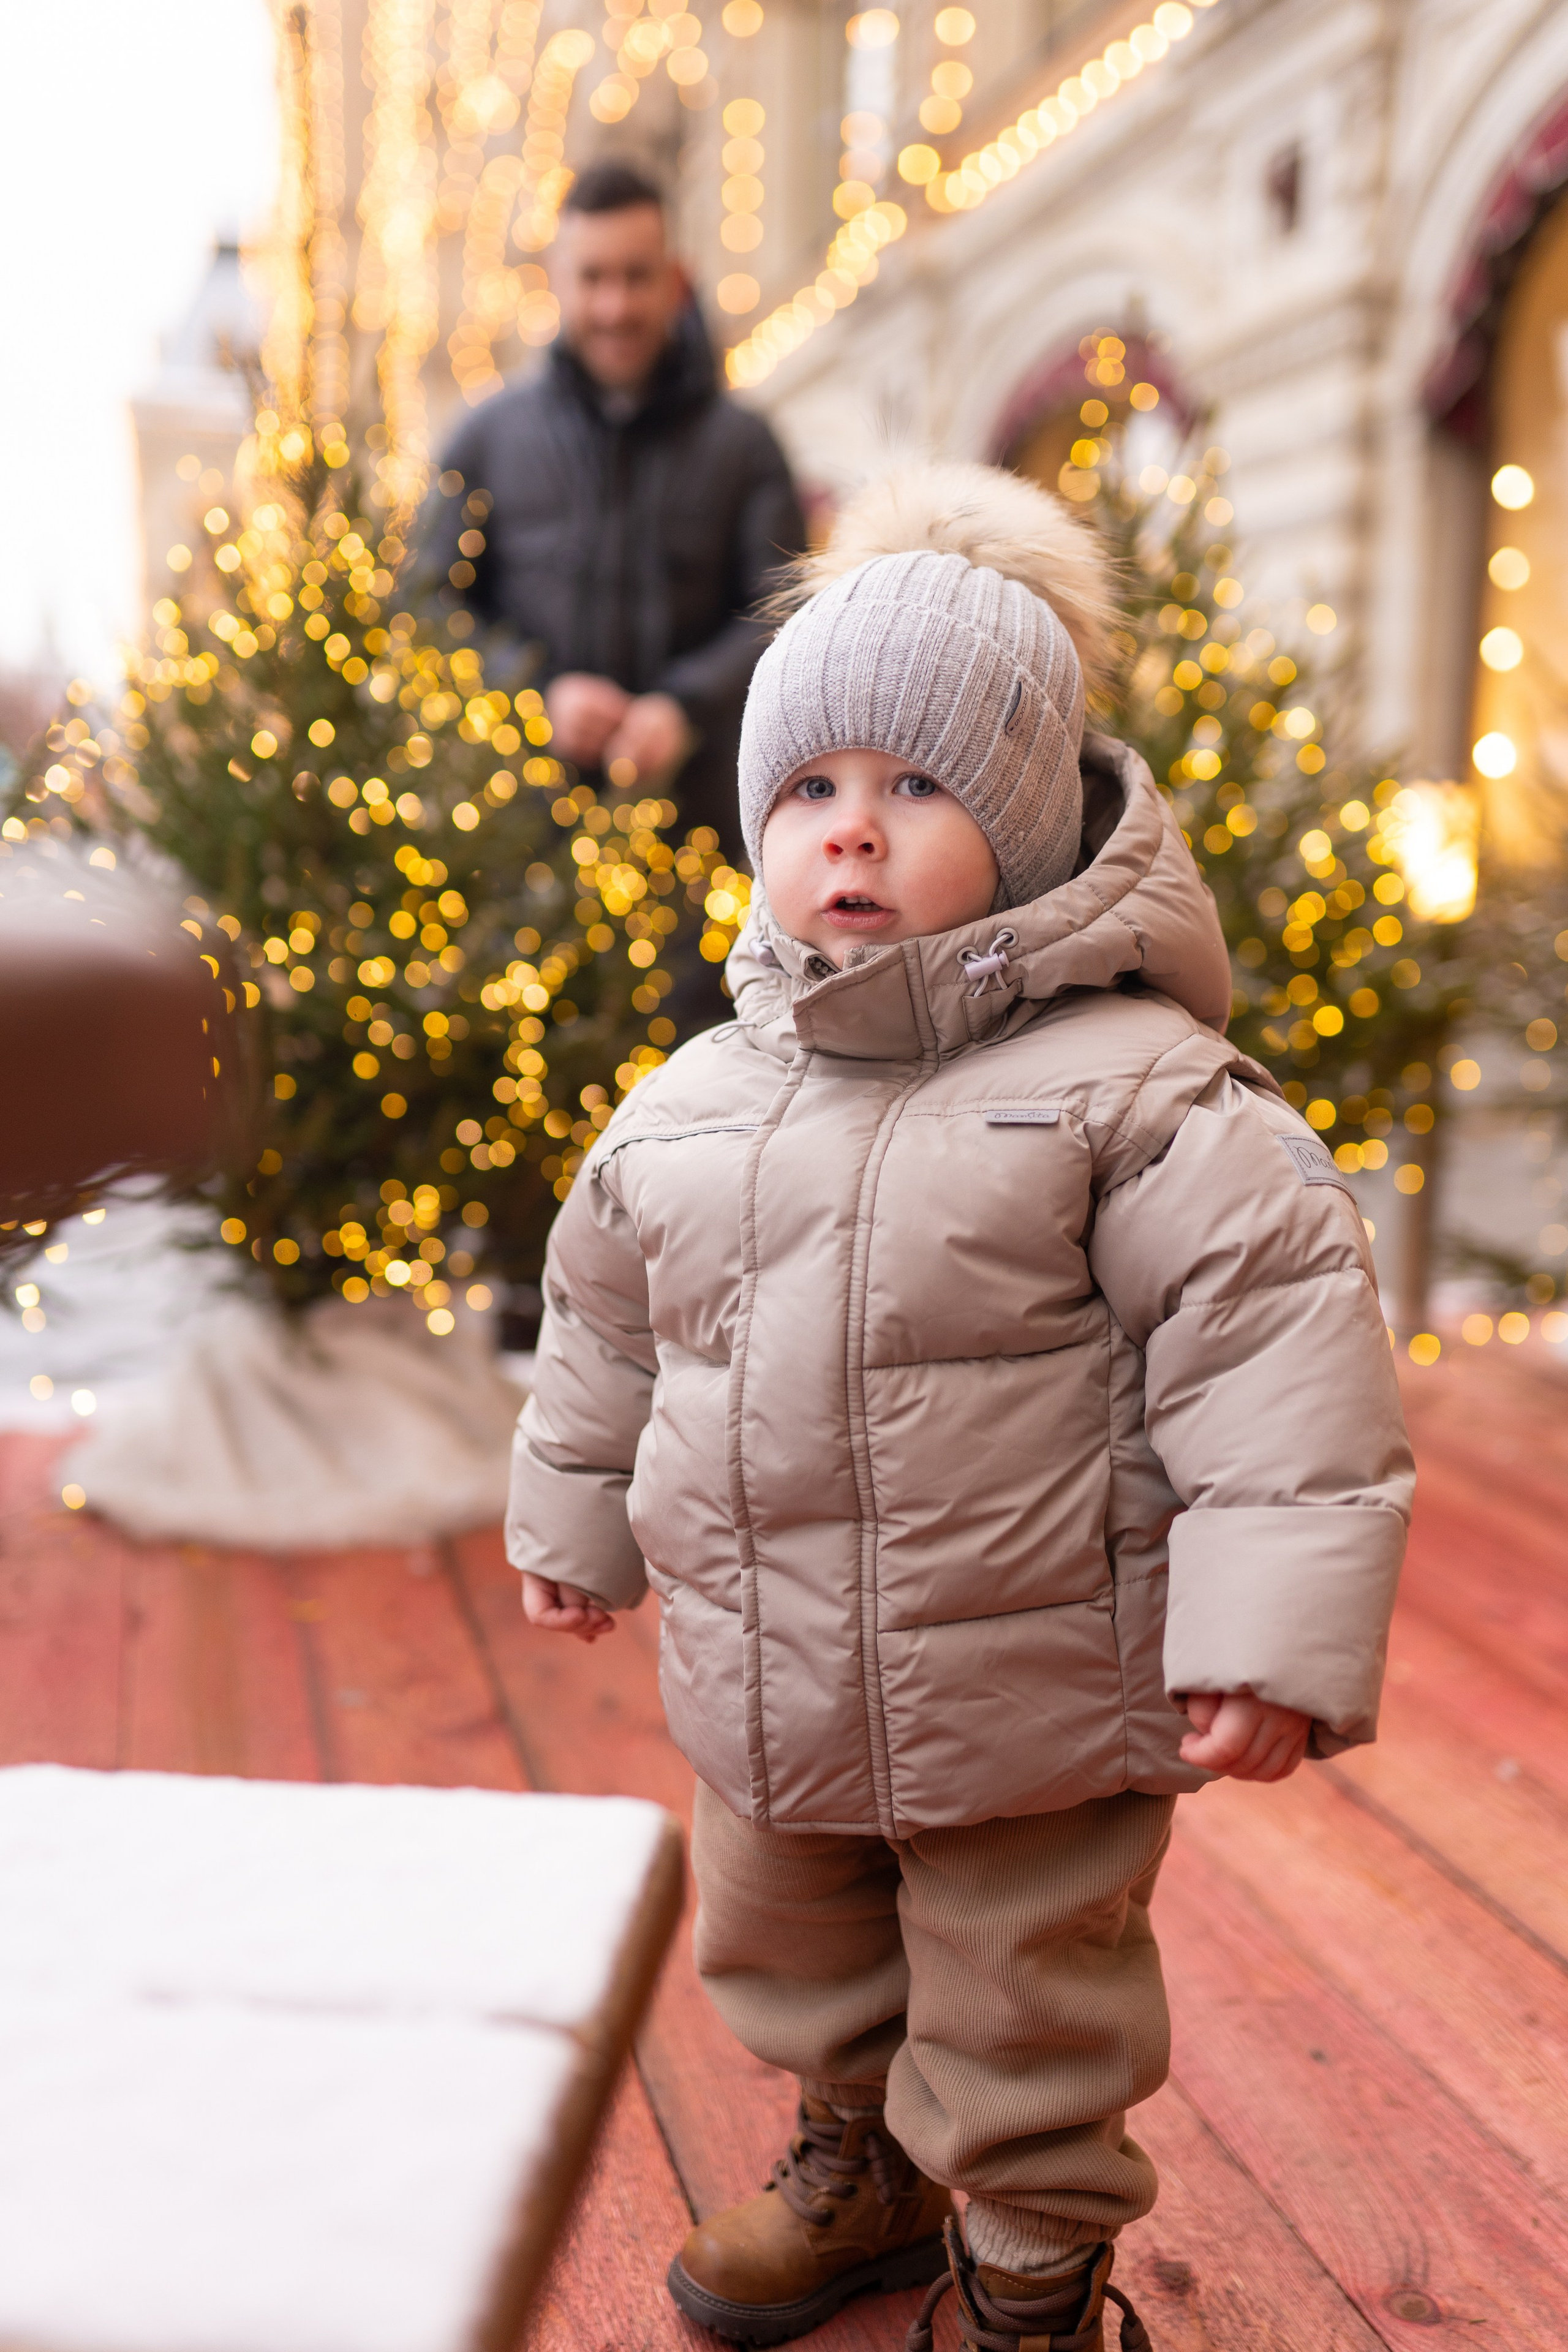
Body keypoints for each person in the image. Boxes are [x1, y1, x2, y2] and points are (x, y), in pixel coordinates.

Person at [503, 460, 1412, 2351]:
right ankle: (859, 2156)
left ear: (1015, 811)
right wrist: (568, 1516)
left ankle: (1028, 2261)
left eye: (914, 784)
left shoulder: (1133, 1085)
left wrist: (1265, 1633)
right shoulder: (692, 1093)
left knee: (1023, 1994)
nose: (853, 829)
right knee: (789, 1932)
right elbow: (602, 1315)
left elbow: (1269, 1345)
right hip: (767, 1666)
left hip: (1032, 1680)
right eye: (810, 787)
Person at [423, 160, 805, 854]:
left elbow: (785, 615)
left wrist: (684, 708)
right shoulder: (484, 440)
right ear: (556, 283)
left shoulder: (745, 447)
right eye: (594, 278)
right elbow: (425, 606)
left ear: (675, 280)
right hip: (516, 846)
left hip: (701, 841)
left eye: (636, 276)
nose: (615, 307)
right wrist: (532, 697)